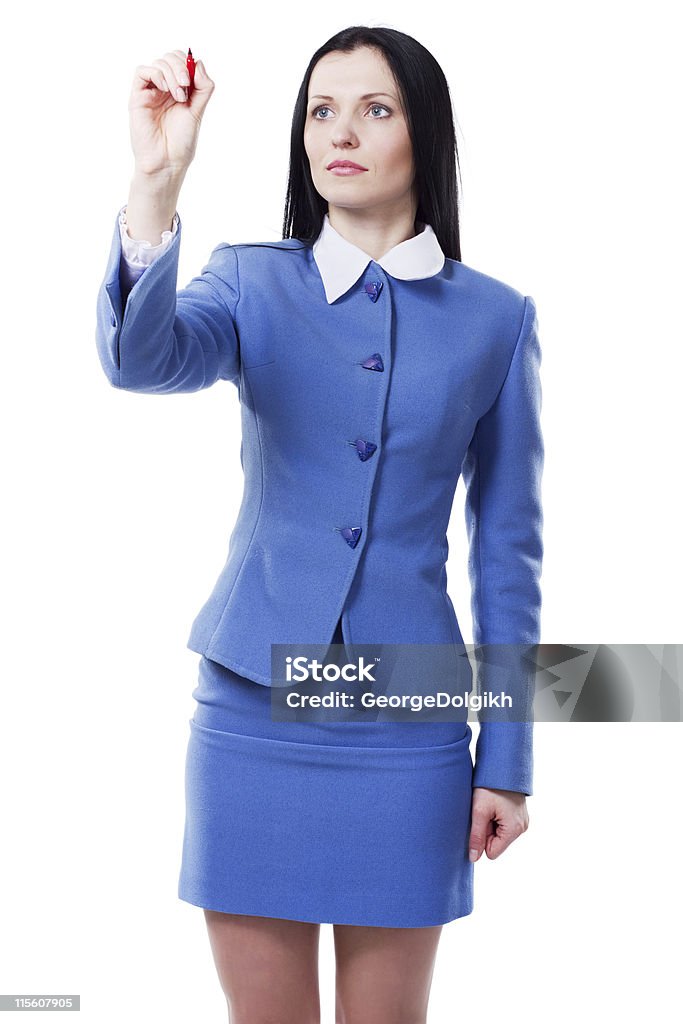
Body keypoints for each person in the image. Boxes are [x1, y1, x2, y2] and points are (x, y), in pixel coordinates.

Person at [96, 25, 543, 1024]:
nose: (339, 131)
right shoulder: (252, 283)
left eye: (373, 109)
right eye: (320, 109)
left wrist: (506, 760)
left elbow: (506, 553)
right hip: (250, 716)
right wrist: (154, 186)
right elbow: (140, 358)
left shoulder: (495, 320)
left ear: (423, 135)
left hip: (407, 733)